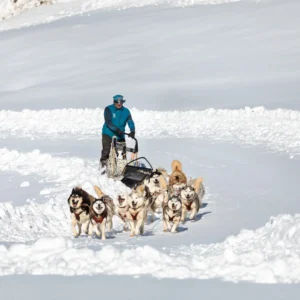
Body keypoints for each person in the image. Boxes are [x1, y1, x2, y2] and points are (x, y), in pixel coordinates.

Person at [100, 95, 135, 173]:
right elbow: (108, 122)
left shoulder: (126, 111)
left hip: (120, 135)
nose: (119, 104)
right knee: (106, 150)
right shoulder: (108, 109)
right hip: (108, 133)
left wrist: (132, 131)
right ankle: (103, 167)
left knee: (122, 152)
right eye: (117, 102)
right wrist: (116, 130)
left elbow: (130, 121)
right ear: (114, 102)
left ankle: (121, 169)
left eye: (121, 102)